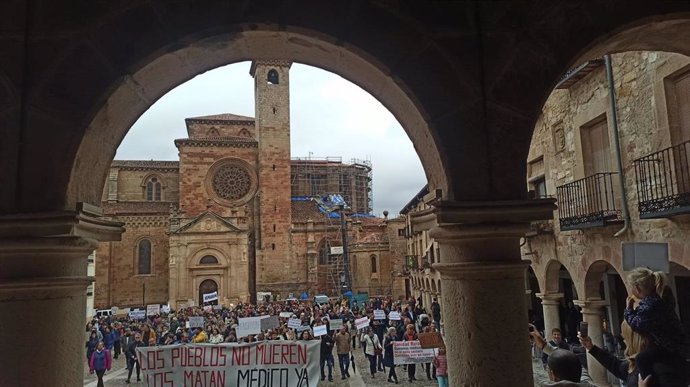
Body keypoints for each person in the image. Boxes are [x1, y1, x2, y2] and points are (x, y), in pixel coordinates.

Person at [624, 267, 690, 381]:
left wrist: (628, 309)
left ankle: (647, 382)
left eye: (631, 287)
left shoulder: (651, 305)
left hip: (670, 346)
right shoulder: (659, 298)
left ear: (638, 288)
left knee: (641, 359)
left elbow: (637, 324)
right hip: (676, 342)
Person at [579, 320, 686, 387]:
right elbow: (616, 366)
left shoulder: (658, 367)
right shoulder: (636, 363)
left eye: (625, 337)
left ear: (634, 339)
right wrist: (591, 348)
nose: (624, 341)